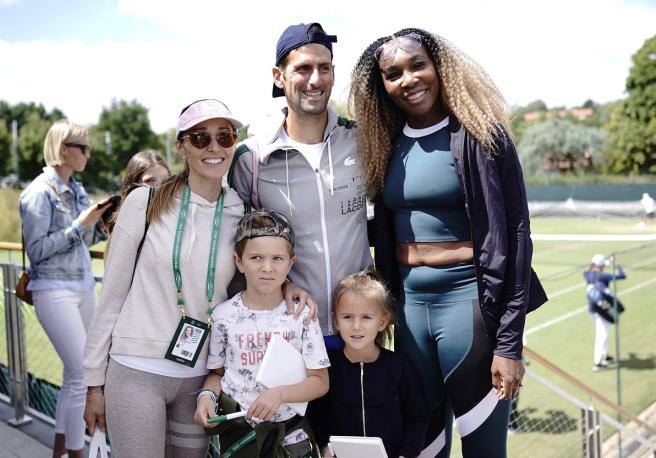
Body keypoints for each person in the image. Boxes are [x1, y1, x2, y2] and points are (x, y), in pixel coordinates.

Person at [350, 28, 547, 457]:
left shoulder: (481, 135)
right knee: (421, 449)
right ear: (381, 84)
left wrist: (509, 344)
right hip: (409, 315)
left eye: (417, 65)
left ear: (439, 67)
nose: (408, 79)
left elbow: (516, 235)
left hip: (469, 311)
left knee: (484, 452)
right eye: (393, 73)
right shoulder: (383, 144)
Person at [83, 99, 247, 458]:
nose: (214, 147)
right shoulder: (145, 201)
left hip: (199, 378)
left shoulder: (240, 211)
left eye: (224, 137)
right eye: (200, 138)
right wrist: (94, 384)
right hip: (135, 371)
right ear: (181, 147)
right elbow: (111, 297)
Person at [229, 22, 373, 341]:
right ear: (278, 76)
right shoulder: (251, 159)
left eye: (324, 68)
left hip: (357, 331)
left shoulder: (361, 141)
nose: (315, 80)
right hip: (289, 330)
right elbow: (236, 246)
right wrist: (282, 284)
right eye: (303, 68)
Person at [195, 209, 330, 458]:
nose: (267, 267)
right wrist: (206, 397)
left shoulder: (302, 315)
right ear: (239, 262)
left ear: (291, 263)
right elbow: (217, 374)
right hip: (239, 436)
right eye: (256, 258)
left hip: (289, 435)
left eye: (277, 259)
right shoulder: (223, 316)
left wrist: (280, 394)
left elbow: (320, 381)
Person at [19, 120, 111, 458]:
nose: (88, 154)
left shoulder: (76, 189)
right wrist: (79, 225)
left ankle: (59, 452)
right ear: (63, 149)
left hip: (82, 287)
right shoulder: (38, 193)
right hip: (53, 289)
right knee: (82, 376)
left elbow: (84, 239)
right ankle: (76, 453)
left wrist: (102, 223)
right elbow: (36, 250)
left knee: (73, 375)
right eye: (82, 147)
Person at [308, 270, 427, 458]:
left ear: (382, 322)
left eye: (366, 317)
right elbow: (318, 416)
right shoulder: (328, 369)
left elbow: (417, 419)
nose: (356, 326)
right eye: (347, 317)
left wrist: (406, 454)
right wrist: (325, 447)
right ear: (335, 320)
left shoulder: (399, 367)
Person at [584, 254, 625, 372]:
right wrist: (616, 263)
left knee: (603, 333)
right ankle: (597, 364)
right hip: (602, 309)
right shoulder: (603, 276)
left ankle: (605, 356)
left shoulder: (587, 274)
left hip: (593, 309)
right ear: (600, 265)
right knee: (602, 335)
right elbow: (622, 275)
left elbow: (586, 271)